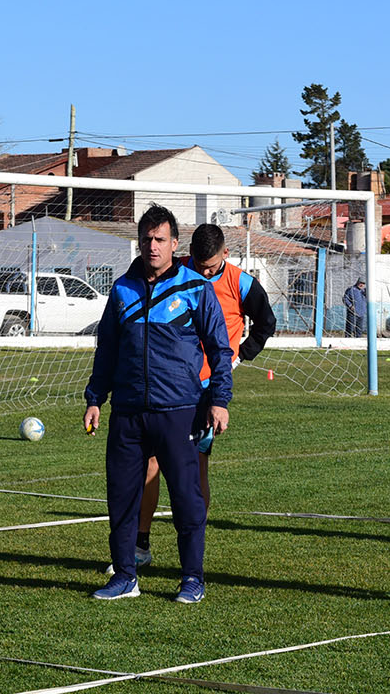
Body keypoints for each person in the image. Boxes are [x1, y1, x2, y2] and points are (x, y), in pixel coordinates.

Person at [84, 205, 232, 604]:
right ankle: (125, 576)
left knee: (186, 497)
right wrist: (96, 398)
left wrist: (219, 400)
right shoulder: (121, 290)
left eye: (160, 239)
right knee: (121, 496)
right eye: (147, 239)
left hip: (180, 409)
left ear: (174, 244)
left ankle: (192, 578)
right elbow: (107, 350)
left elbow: (220, 349)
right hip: (129, 412)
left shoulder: (194, 288)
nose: (152, 246)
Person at [118, 224, 275, 574]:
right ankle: (140, 545)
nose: (206, 273)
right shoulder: (176, 273)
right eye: (200, 266)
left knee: (194, 466)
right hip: (166, 386)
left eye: (213, 268)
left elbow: (266, 322)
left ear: (226, 256)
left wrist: (240, 355)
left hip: (206, 390)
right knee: (150, 462)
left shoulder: (240, 281)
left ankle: (193, 553)